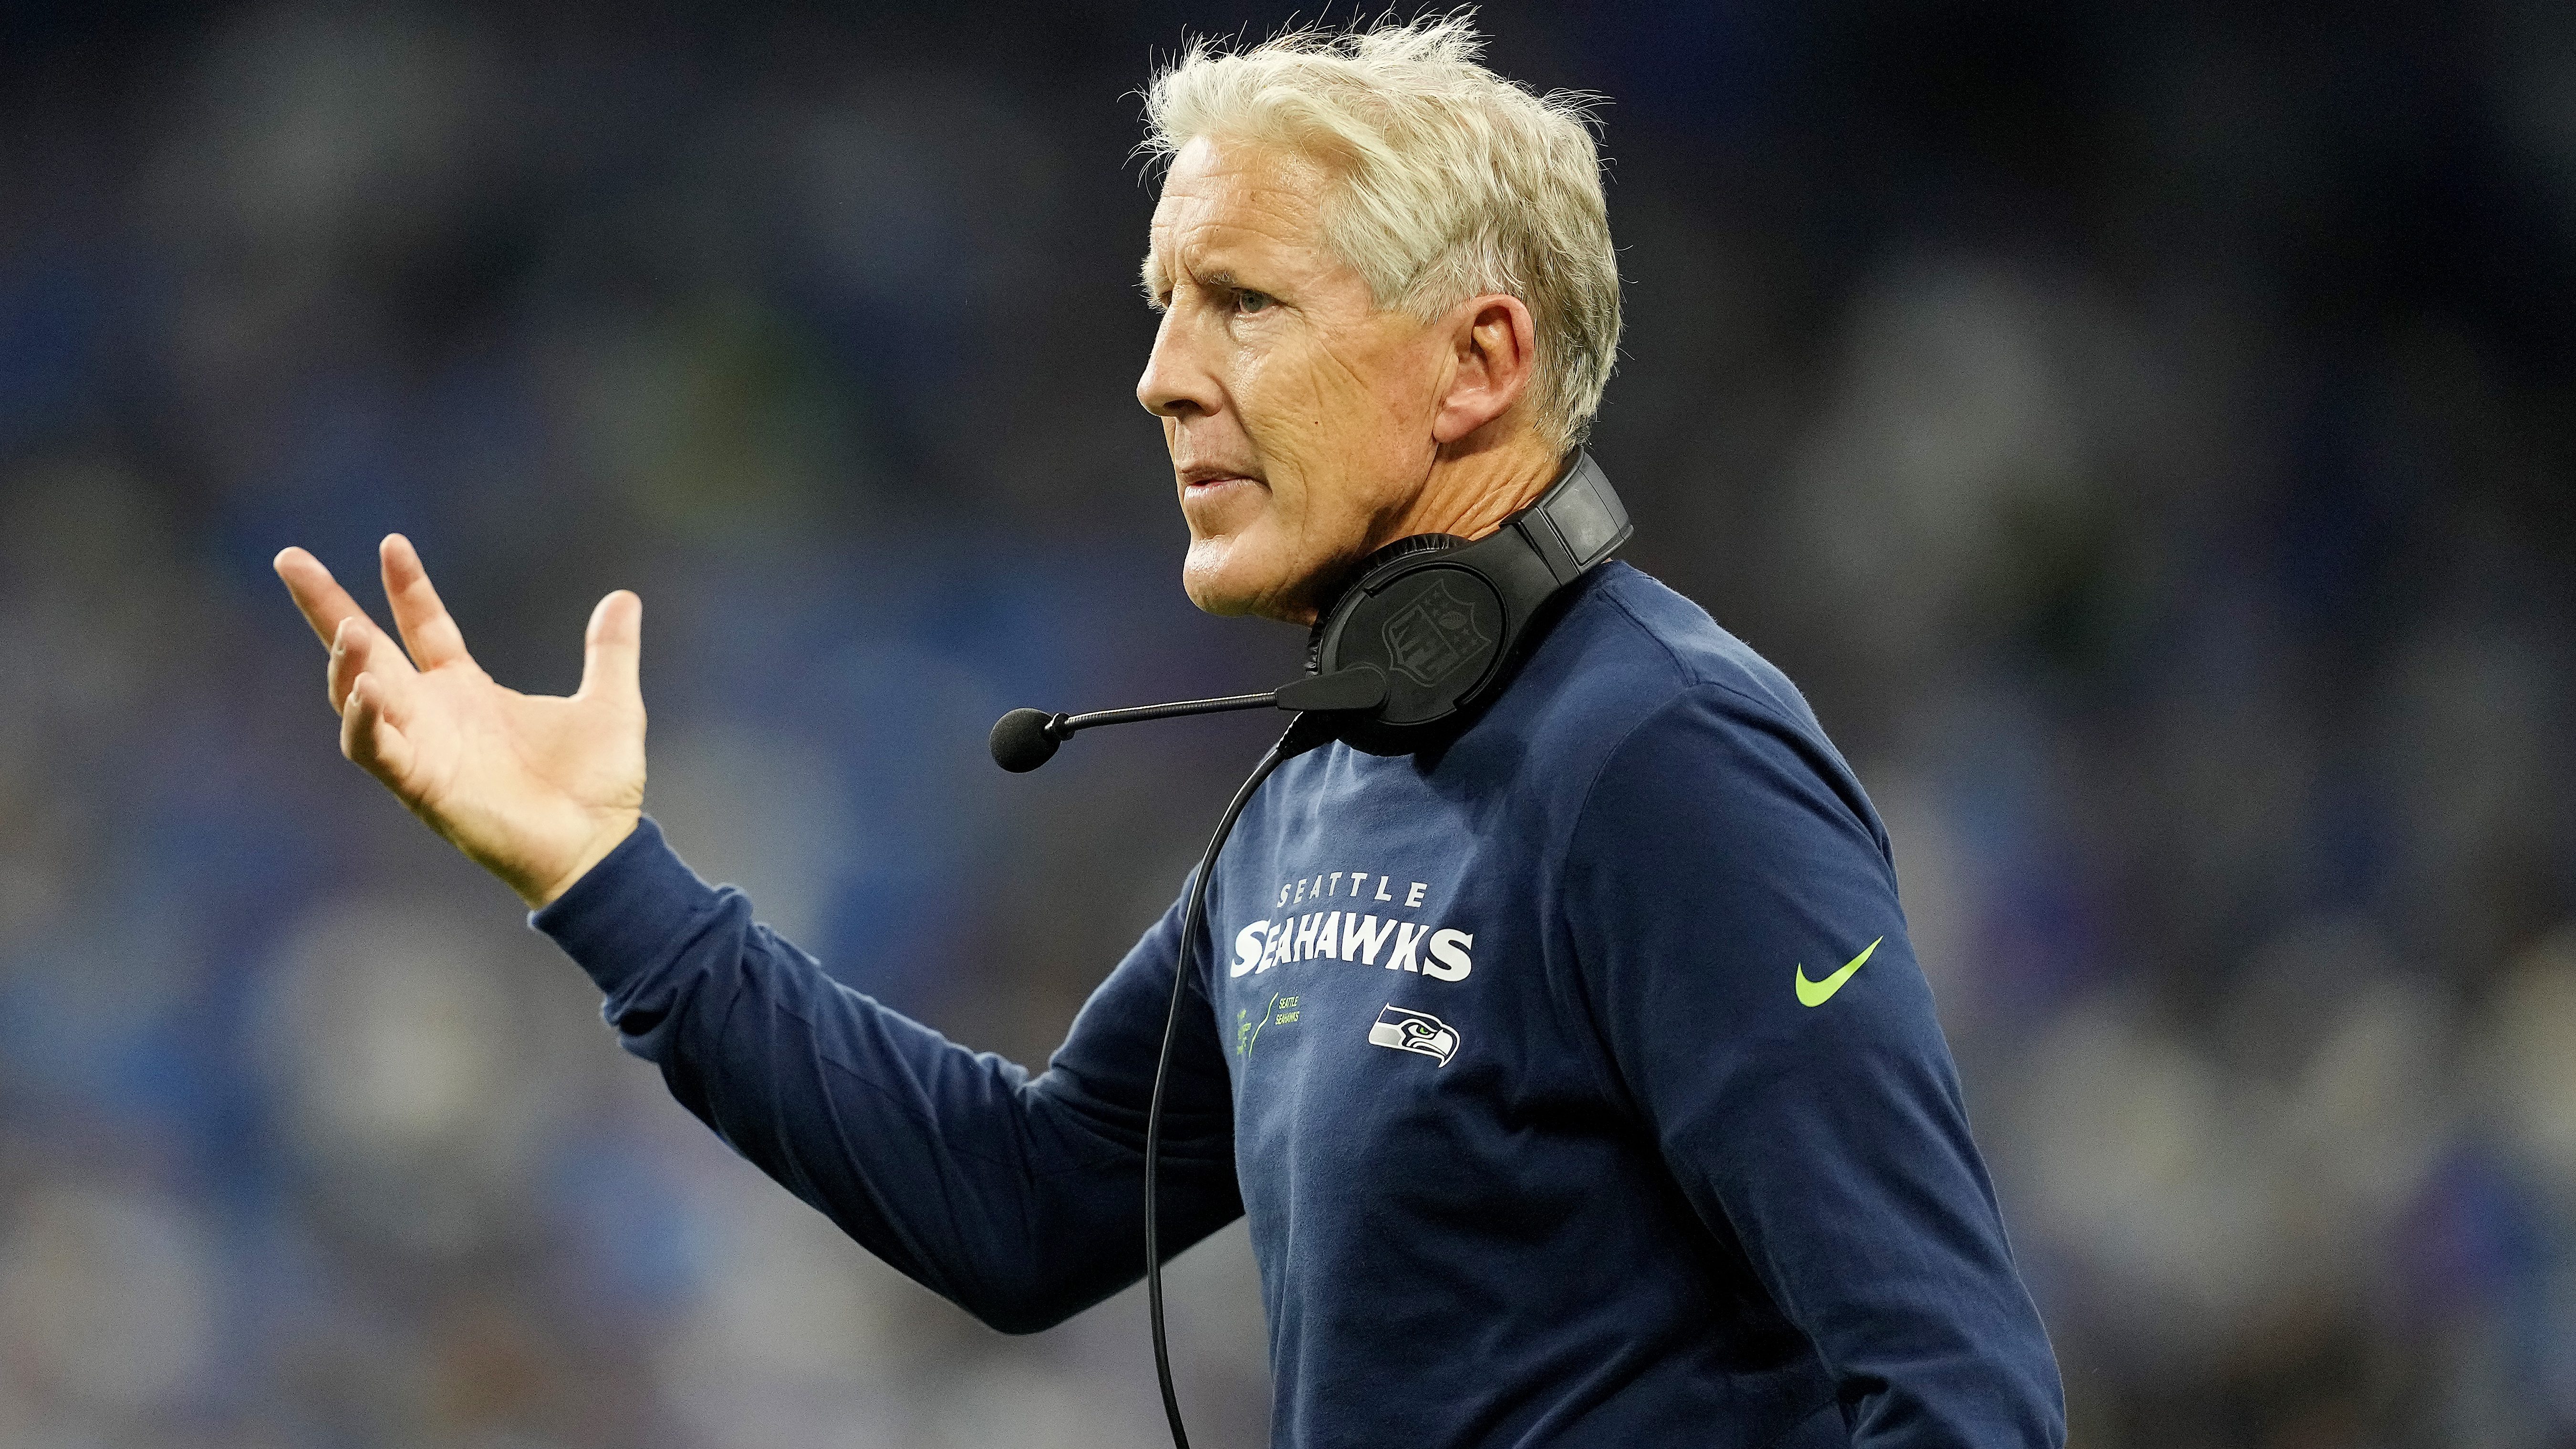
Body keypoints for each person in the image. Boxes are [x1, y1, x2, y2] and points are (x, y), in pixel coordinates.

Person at [273, 17, 2064, 1448]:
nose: (1161, 375)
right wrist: (603, 877)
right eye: (1161, 305)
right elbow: (1029, 1203)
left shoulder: (1670, 762)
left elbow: (1959, 1392)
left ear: (1479, 362)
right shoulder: (1331, 781)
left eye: (1244, 304)